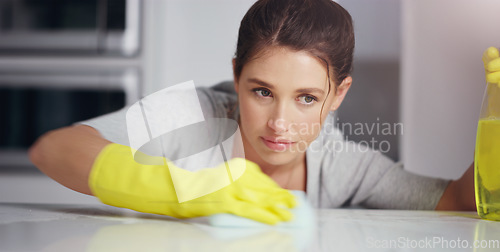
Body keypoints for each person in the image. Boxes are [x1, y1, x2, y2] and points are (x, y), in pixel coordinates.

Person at [29, 0, 478, 225]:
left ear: (338, 95)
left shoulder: (340, 164)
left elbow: (458, 202)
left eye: (306, 98)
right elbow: (54, 148)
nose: (280, 124)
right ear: (236, 74)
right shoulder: (194, 112)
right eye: (262, 91)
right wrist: (179, 189)